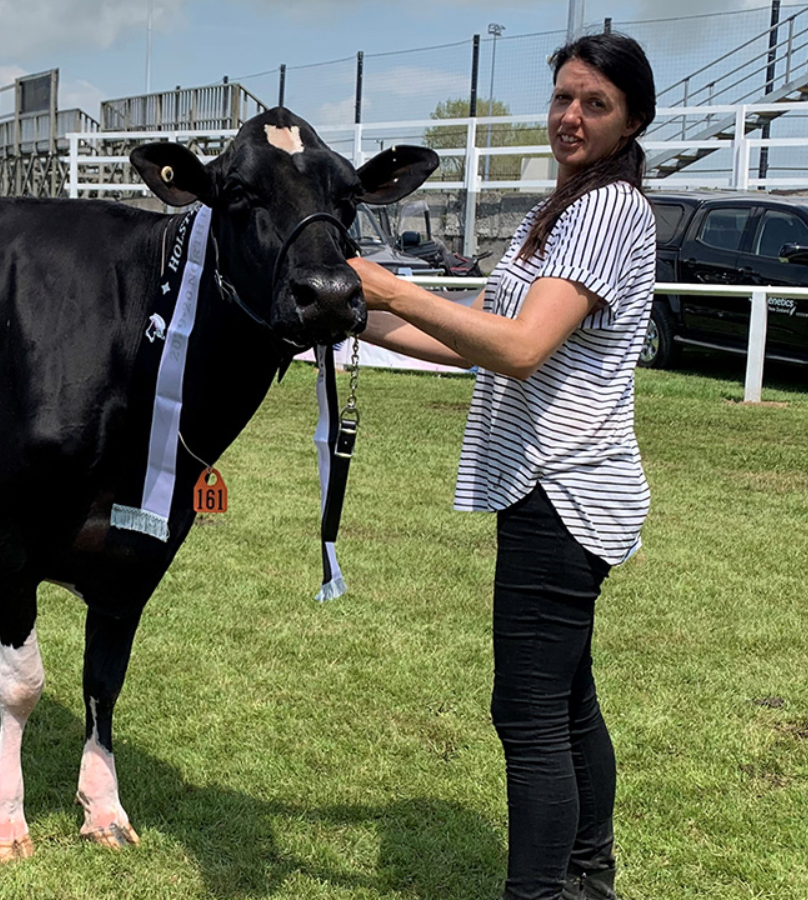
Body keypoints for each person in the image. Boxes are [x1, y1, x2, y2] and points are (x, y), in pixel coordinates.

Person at [346, 32, 657, 900]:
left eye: (595, 104)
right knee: (565, 702)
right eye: (563, 97)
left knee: (526, 714)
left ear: (633, 118)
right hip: (554, 487)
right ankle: (589, 878)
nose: (570, 117)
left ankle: (545, 892)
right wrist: (347, 311)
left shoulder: (607, 212)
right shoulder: (552, 212)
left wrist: (388, 284)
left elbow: (520, 350)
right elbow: (470, 338)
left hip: (562, 490)